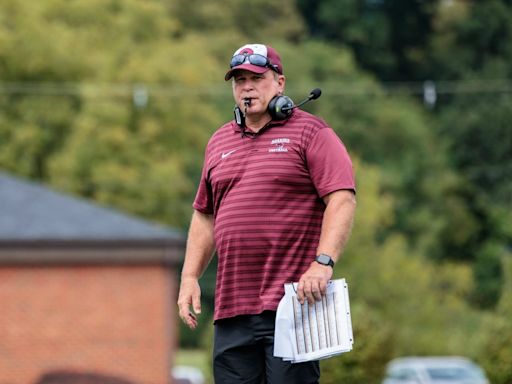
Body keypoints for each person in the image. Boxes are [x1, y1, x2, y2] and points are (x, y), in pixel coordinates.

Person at [177, 43, 356, 383]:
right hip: (232, 309)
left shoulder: (312, 134)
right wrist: (189, 277)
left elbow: (342, 198)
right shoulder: (218, 142)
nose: (247, 87)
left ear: (280, 83)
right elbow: (205, 215)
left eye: (257, 78)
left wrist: (324, 262)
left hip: (293, 306)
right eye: (239, 80)